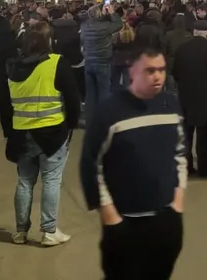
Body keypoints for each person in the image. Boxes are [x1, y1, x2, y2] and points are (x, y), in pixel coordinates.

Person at [80, 48, 186, 279]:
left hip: (164, 219)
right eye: (150, 71)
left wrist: (177, 203)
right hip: (124, 223)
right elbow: (90, 164)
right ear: (133, 72)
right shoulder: (110, 111)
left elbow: (180, 154)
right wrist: (110, 217)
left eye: (161, 70)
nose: (157, 76)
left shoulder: (171, 105)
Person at [0, 28, 81, 247]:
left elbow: (3, 105)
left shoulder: (11, 66)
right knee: (51, 180)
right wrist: (71, 125)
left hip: (21, 134)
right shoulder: (56, 63)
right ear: (48, 42)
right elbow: (73, 98)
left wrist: (9, 132)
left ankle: (20, 231)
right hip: (52, 134)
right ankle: (49, 231)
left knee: (24, 181)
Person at [171, 22, 207, 177]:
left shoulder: (182, 49)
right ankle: (203, 167)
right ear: (206, 33)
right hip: (204, 98)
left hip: (185, 97)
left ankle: (186, 166)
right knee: (203, 136)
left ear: (194, 32)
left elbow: (175, 73)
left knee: (186, 134)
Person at [81, 5, 120, 110]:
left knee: (90, 94)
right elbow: (119, 24)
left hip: (88, 62)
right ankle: (103, 118)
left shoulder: (84, 26)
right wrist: (112, 13)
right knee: (104, 92)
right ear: (99, 14)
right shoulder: (106, 26)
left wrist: (101, 15)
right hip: (103, 62)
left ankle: (90, 119)